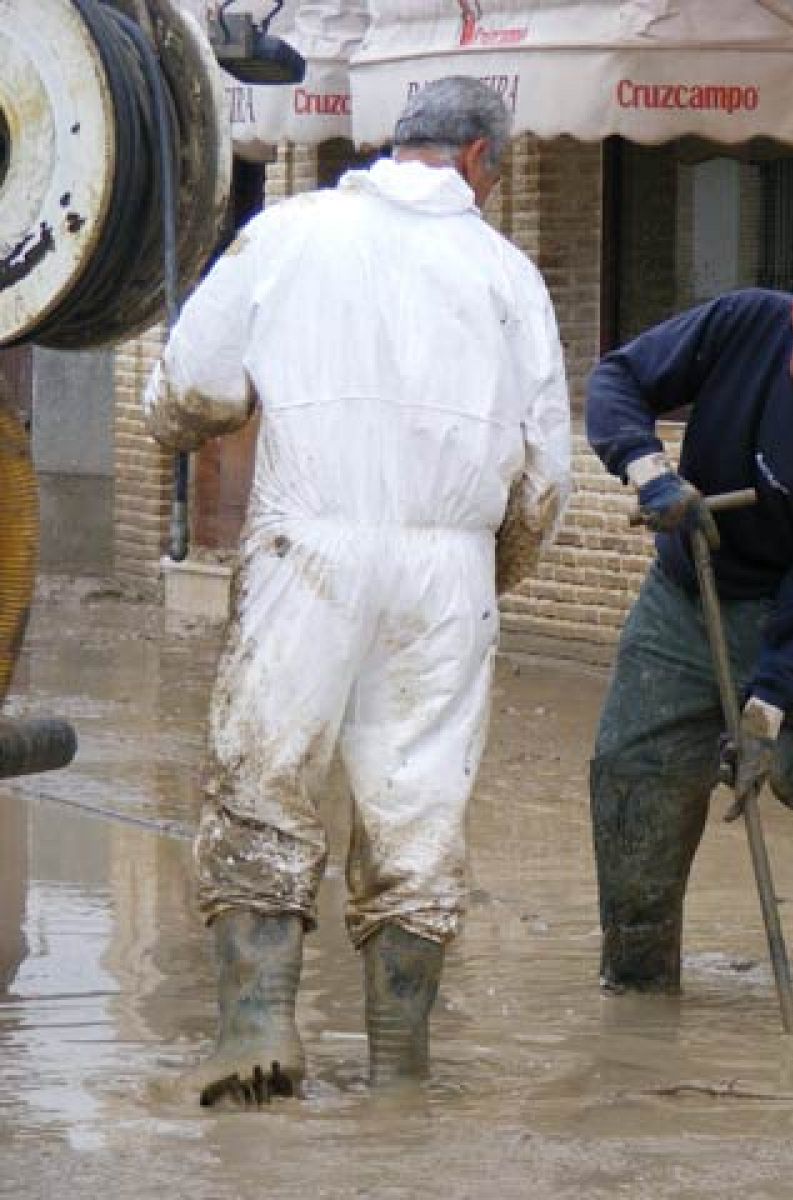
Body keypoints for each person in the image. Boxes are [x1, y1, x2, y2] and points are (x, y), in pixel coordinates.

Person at [144, 76, 572, 1105]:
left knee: (266, 773)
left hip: (309, 544)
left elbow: (192, 384)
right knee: (417, 802)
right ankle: (398, 1068)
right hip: (448, 570)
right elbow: (545, 480)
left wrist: (186, 432)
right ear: (480, 161)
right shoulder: (507, 273)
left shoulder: (292, 230)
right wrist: (483, 580)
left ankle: (256, 1026)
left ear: (401, 144)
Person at [585, 251, 793, 1024]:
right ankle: (636, 989)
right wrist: (647, 470)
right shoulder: (743, 324)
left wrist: (765, 713)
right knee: (635, 769)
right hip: (687, 595)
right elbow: (617, 381)